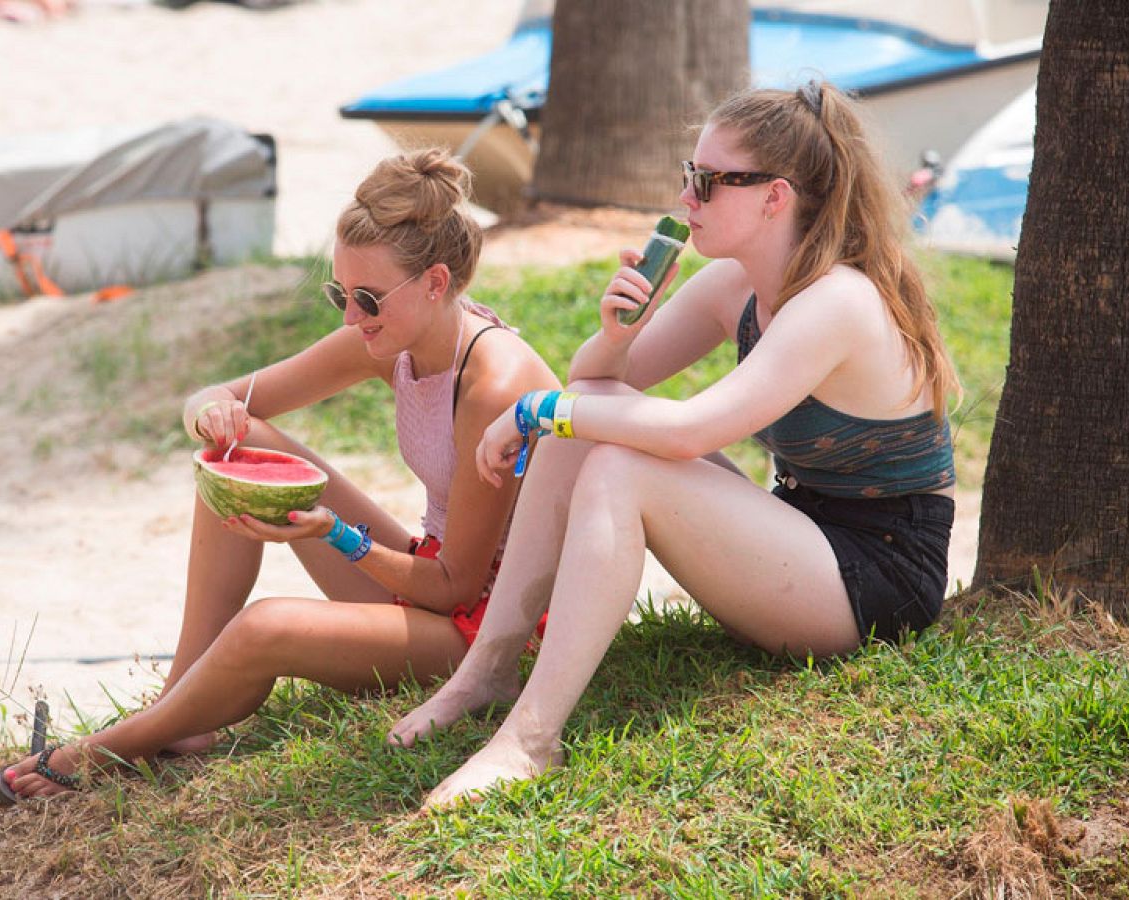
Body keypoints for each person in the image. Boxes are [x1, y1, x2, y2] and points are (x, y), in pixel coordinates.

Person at [386, 81, 960, 808]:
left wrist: (534, 408)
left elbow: (693, 429)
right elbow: (593, 389)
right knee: (581, 422)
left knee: (612, 458)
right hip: (802, 536)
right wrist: (615, 336)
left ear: (774, 197)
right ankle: (487, 670)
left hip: (877, 575)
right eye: (690, 175)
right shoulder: (735, 285)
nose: (687, 196)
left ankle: (531, 739)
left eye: (710, 181)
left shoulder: (837, 301)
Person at [0, 149, 558, 801]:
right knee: (239, 448)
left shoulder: (492, 384)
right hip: (433, 580)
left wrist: (334, 534)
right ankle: (181, 711)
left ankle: (118, 747)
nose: (351, 317)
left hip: (496, 634)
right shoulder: (396, 337)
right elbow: (214, 397)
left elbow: (453, 589)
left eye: (368, 298)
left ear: (436, 282)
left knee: (268, 627)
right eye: (340, 294)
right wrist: (214, 417)